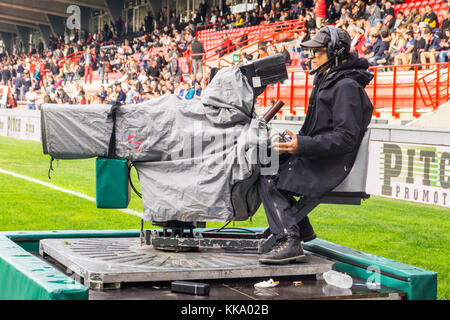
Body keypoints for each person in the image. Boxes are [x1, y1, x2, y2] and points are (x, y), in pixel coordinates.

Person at [258, 26, 374, 265]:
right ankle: (299, 227)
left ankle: (289, 239)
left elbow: (345, 138)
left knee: (268, 175)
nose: (310, 56)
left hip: (330, 165)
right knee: (265, 159)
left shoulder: (345, 87)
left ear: (334, 52)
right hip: (318, 156)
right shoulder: (329, 80)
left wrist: (302, 145)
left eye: (316, 51)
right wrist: (295, 142)